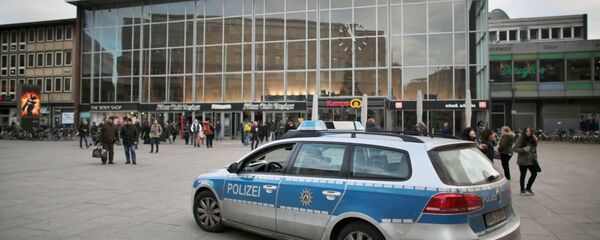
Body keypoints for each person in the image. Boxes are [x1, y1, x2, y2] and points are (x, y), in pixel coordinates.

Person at [514, 127, 539, 196]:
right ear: (524, 132)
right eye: (527, 131)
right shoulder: (520, 138)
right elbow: (514, 149)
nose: (528, 132)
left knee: (534, 173)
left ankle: (528, 188)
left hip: (531, 160)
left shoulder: (532, 138)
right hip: (523, 161)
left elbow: (534, 149)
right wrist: (523, 149)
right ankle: (522, 190)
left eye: (530, 131)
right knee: (523, 175)